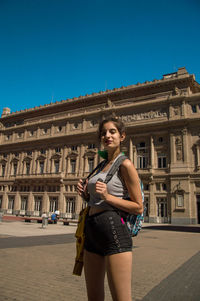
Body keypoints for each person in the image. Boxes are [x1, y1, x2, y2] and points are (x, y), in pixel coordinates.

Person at [77, 117, 143, 301]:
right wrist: (85, 194)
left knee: (121, 298)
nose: (107, 136)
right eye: (103, 133)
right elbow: (96, 199)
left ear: (122, 136)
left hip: (114, 231)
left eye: (112, 132)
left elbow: (138, 207)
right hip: (91, 231)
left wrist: (108, 196)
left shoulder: (125, 165)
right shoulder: (100, 166)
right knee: (94, 297)